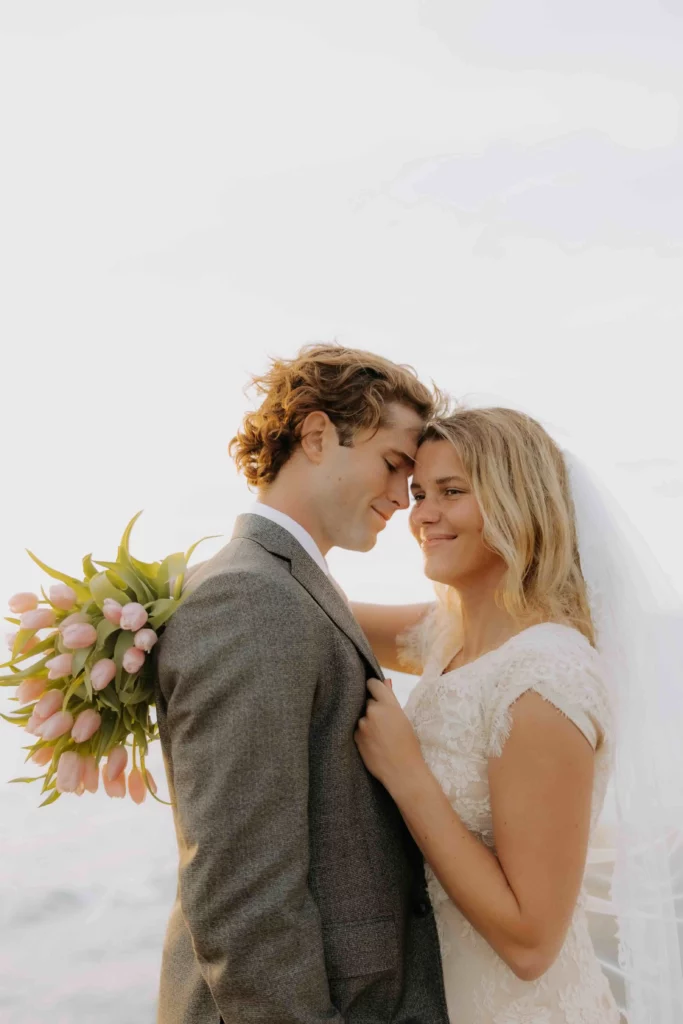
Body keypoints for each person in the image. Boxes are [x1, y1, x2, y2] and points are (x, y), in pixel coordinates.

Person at [154, 344, 451, 1024]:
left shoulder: (281, 586)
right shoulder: (250, 599)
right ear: (317, 435)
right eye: (393, 465)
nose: (401, 499)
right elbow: (242, 893)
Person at [352, 408, 623, 1023]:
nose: (422, 514)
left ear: (515, 502)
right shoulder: (447, 636)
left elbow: (533, 943)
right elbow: (318, 610)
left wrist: (406, 771)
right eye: (419, 493)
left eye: (452, 493)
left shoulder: (544, 678)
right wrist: (150, 607)